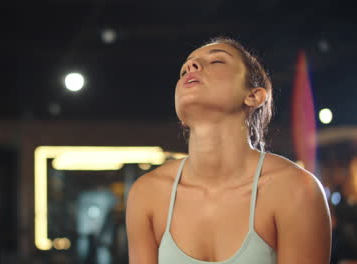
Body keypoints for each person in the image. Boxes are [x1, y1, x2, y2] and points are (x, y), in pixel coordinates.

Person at [126, 37, 331, 263]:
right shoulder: (147, 194)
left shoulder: (295, 189)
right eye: (185, 69)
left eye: (216, 61)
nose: (190, 67)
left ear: (253, 96)